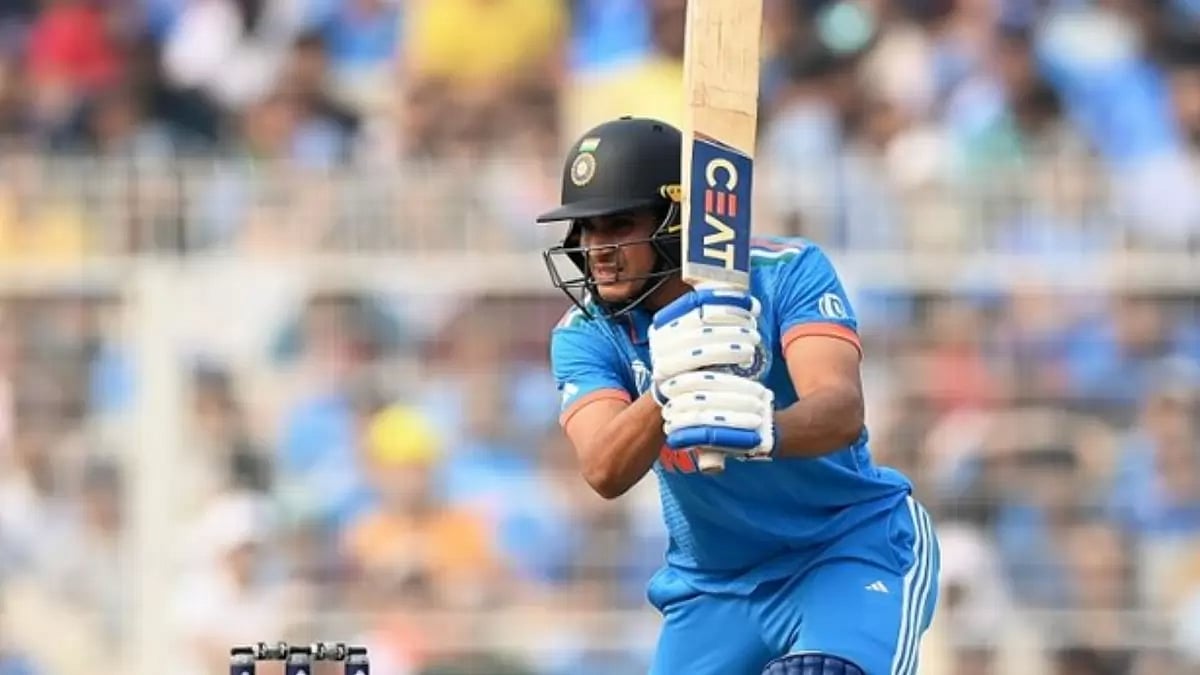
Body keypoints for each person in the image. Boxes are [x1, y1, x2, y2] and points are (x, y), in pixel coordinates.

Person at [538, 116, 940, 675]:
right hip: (714, 585)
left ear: (674, 222)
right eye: (586, 229)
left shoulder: (786, 272)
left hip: (844, 549)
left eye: (618, 225)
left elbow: (841, 410)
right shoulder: (586, 332)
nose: (596, 248)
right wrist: (669, 384)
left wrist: (763, 430)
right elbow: (604, 469)